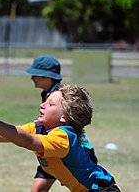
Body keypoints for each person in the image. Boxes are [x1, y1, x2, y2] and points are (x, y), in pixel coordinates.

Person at [0, 84, 120, 191]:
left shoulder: (63, 137)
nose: (42, 105)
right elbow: (1, 134)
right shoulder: (39, 127)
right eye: (45, 101)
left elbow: (27, 141)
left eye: (50, 104)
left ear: (65, 117)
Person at [25, 55, 98, 191]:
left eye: (35, 74)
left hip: (70, 150)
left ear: (47, 77)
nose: (32, 78)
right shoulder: (48, 93)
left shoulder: (61, 96)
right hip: (52, 148)